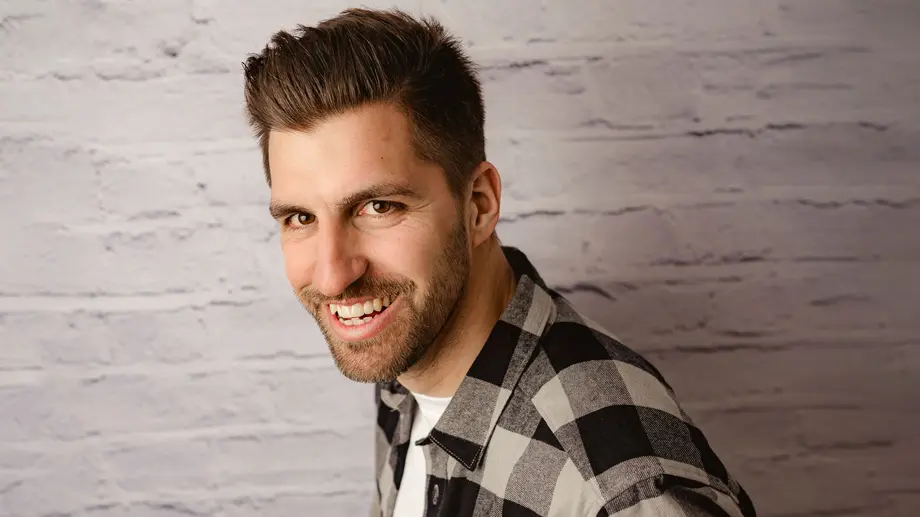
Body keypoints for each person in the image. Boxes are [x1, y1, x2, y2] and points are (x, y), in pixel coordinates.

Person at [242, 7, 756, 517]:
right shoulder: (403, 361)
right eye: (300, 218)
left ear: (479, 204)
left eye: (379, 207)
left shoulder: (622, 493)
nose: (334, 275)